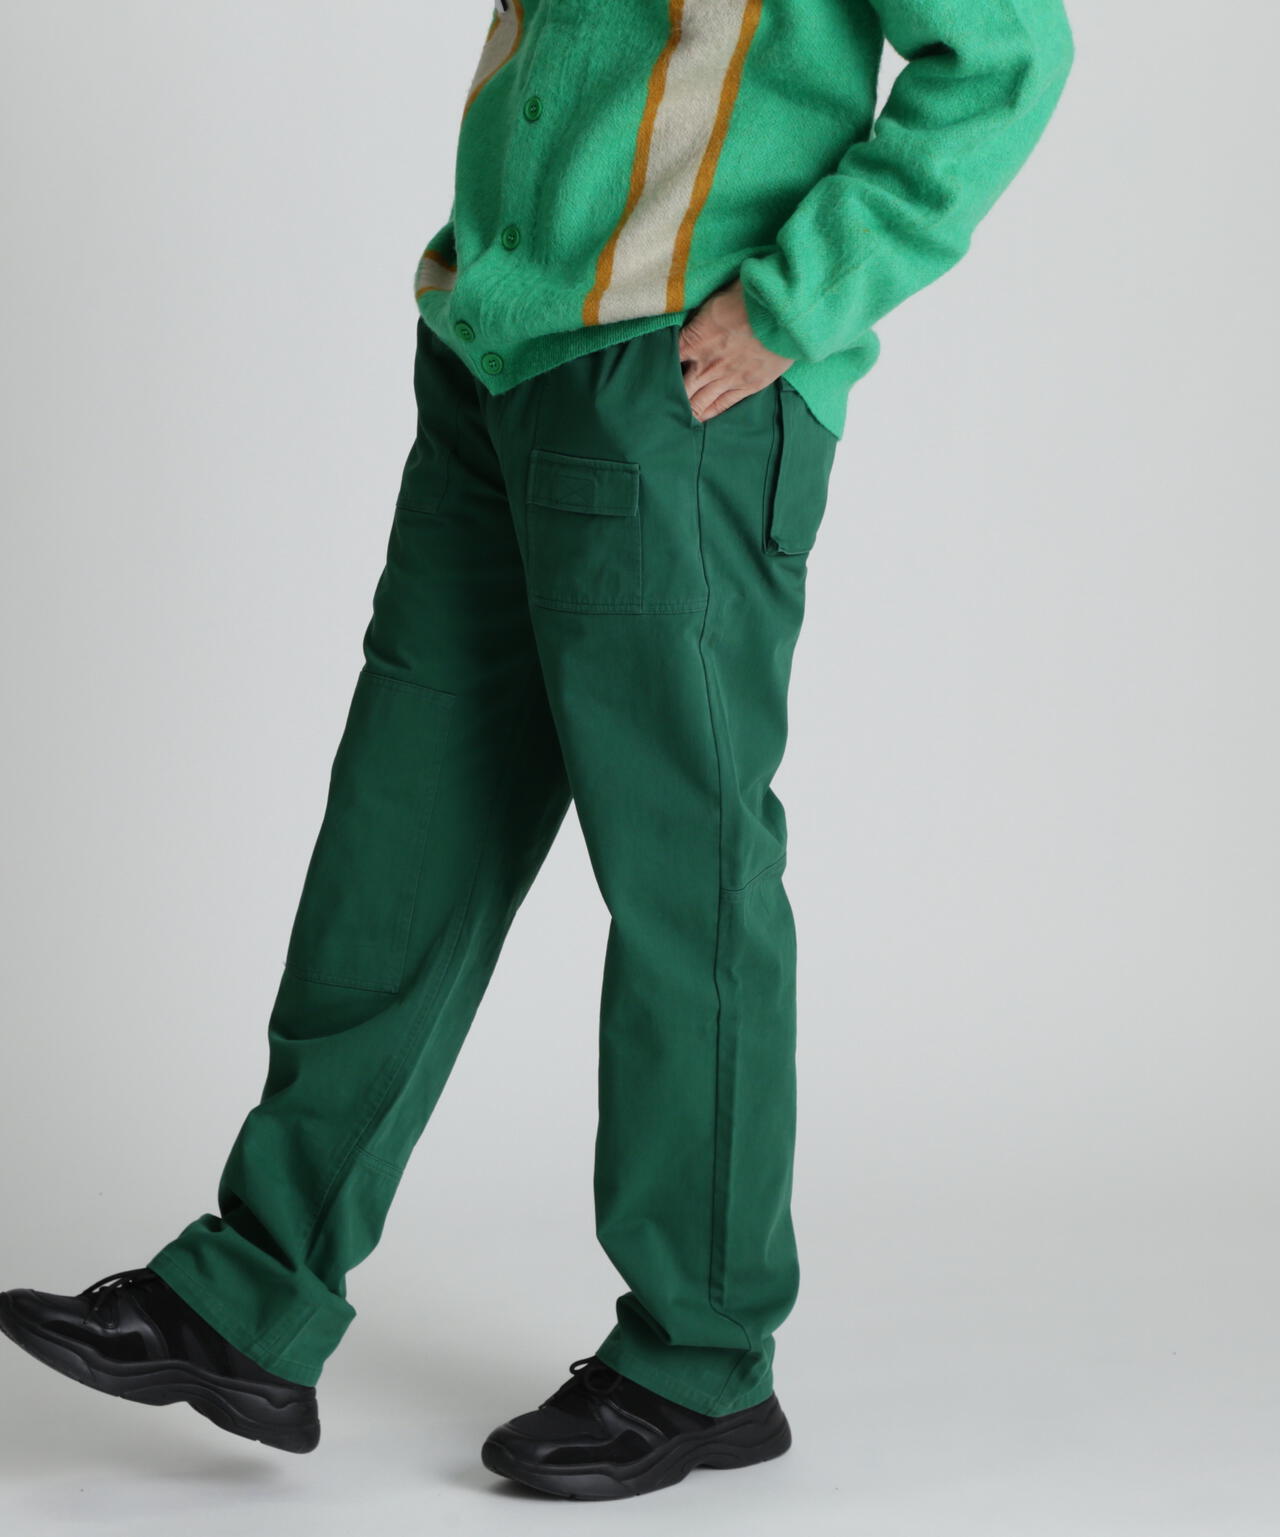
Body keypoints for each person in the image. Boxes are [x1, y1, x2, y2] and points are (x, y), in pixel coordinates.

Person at [0, 0, 1074, 1501]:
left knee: (686, 879)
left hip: (673, 386)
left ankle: (703, 1355)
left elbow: (1010, 52)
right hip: (493, 360)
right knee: (400, 835)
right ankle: (250, 1291)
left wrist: (796, 301)